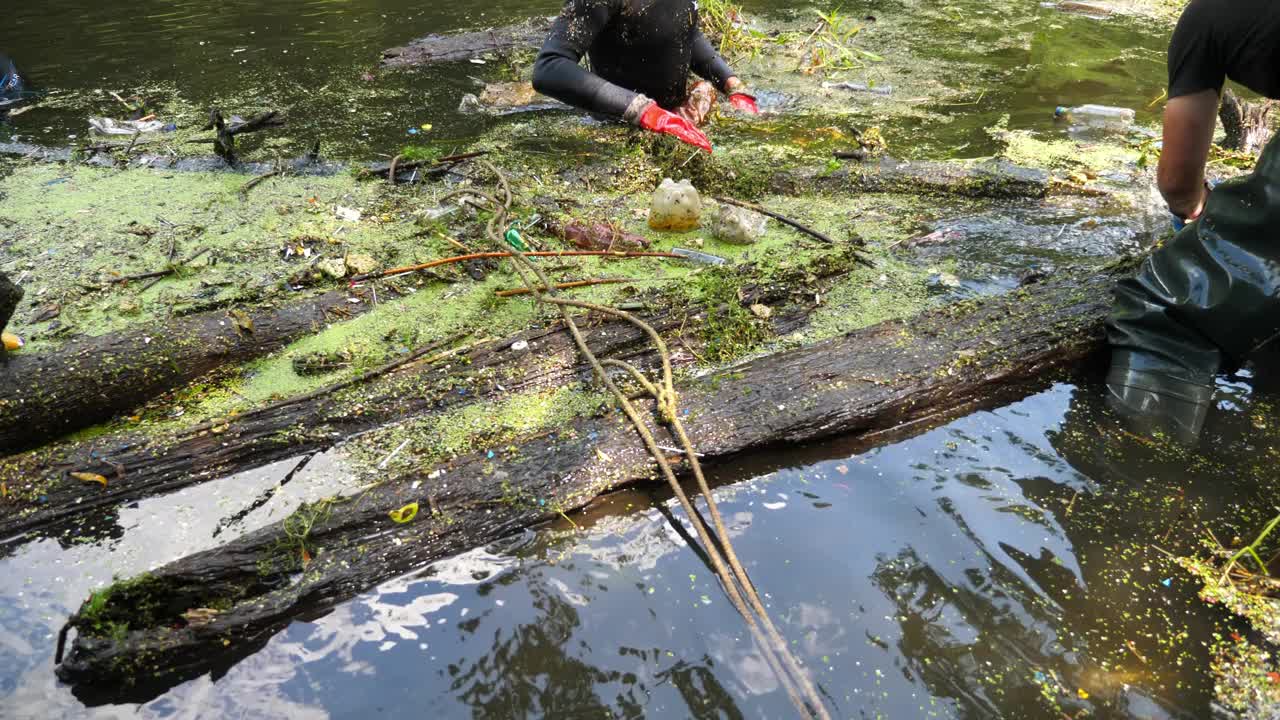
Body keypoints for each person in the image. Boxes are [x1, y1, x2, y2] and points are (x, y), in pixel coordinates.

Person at [1104, 0, 1280, 444]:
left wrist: (1195, 211)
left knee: (1180, 313)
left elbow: (1179, 182)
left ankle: (1143, 457)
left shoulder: (1207, 16)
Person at [532, 0, 759, 154]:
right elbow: (550, 67)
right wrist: (646, 113)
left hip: (677, 123)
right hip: (615, 136)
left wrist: (731, 83)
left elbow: (683, 29)